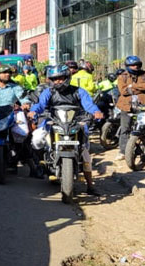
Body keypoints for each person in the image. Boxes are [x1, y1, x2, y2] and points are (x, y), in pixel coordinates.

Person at [28, 65, 104, 194]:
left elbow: (89, 105)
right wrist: (33, 111)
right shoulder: (49, 92)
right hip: (53, 122)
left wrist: (96, 112)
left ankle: (90, 185)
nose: (58, 81)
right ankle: (42, 163)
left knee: (85, 151)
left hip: (76, 122)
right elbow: (40, 105)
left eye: (61, 78)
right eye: (55, 79)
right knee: (36, 139)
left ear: (67, 78)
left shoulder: (79, 91)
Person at [115, 55, 145, 160]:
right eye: (132, 65)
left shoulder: (143, 75)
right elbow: (123, 91)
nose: (135, 67)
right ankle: (123, 151)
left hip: (142, 106)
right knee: (125, 129)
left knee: (143, 128)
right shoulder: (122, 76)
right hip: (126, 106)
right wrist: (140, 88)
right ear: (128, 66)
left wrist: (132, 87)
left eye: (137, 65)